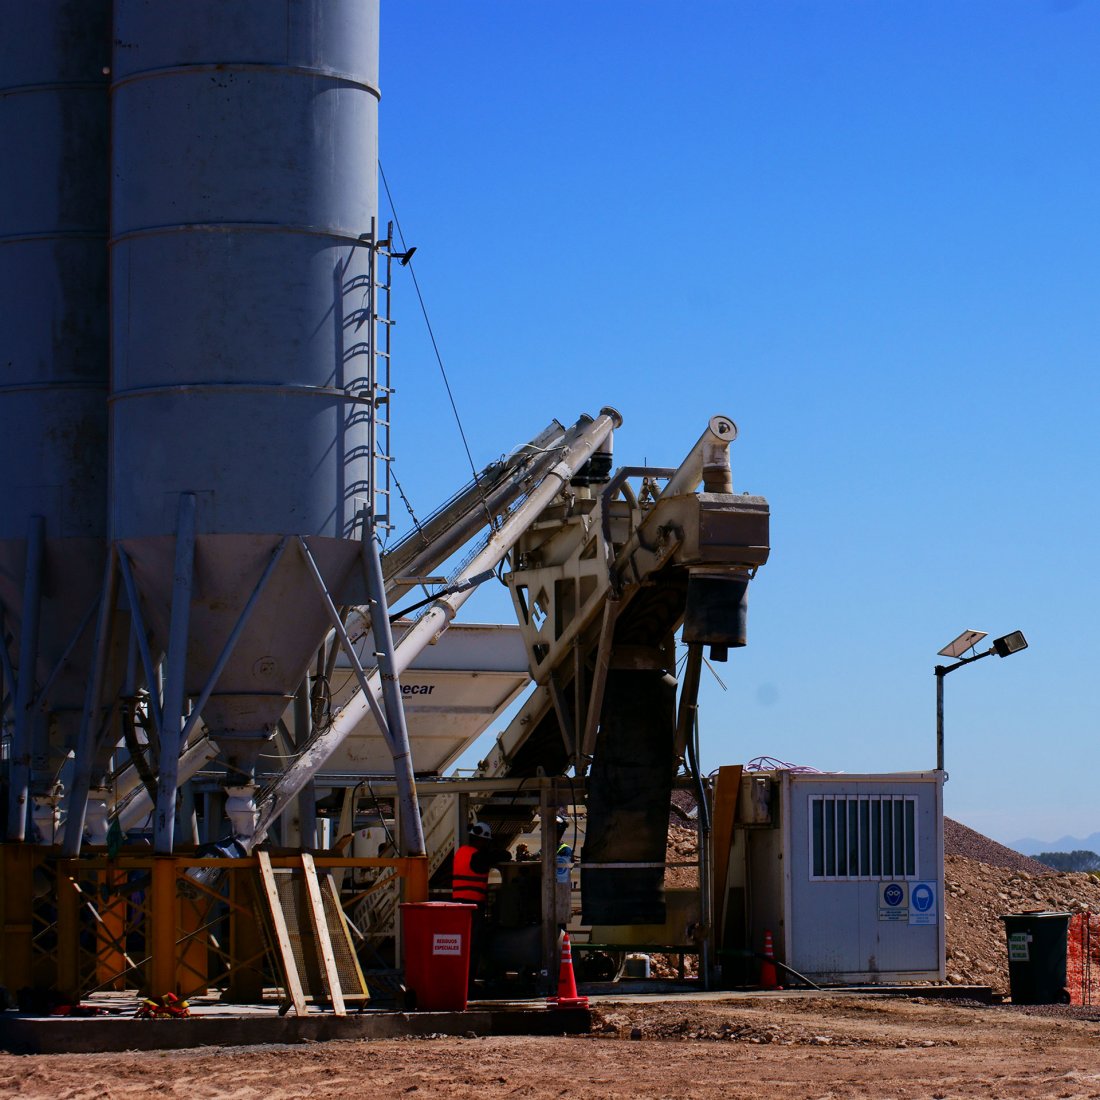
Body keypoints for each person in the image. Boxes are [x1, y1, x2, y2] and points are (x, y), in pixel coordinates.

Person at [451, 821, 510, 996]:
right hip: (472, 908)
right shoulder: (479, 857)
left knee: (461, 945)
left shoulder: (461, 852)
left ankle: (461, 980)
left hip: (457, 906)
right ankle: (468, 983)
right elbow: (504, 855)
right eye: (486, 841)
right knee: (473, 945)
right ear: (481, 840)